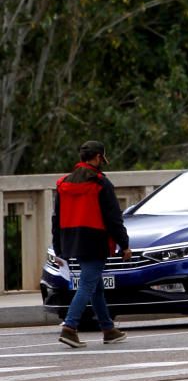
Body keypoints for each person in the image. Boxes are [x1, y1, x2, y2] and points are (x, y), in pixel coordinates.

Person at [52, 140, 131, 348]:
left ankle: (108, 329)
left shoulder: (63, 183)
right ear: (97, 158)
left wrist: (58, 247)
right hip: (95, 240)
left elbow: (56, 218)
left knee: (96, 287)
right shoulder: (101, 183)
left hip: (72, 240)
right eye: (101, 159)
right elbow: (114, 218)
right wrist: (125, 245)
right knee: (88, 284)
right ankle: (69, 327)